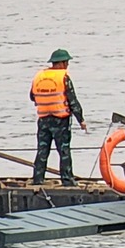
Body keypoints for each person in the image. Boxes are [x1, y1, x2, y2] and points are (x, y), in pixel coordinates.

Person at [29, 49, 86, 186]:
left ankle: (38, 179)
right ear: (60, 63)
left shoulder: (39, 76)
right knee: (64, 151)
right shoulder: (63, 77)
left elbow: (32, 96)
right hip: (60, 120)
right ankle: (67, 180)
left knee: (42, 150)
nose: (67, 65)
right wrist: (81, 120)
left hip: (43, 120)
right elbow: (73, 100)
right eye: (66, 62)